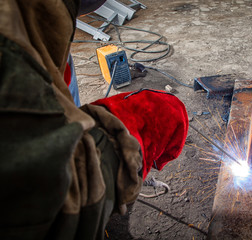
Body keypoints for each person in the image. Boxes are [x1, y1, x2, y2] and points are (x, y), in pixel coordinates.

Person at [0, 0, 188, 239]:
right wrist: (123, 141)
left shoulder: (38, 16)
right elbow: (44, 204)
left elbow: (61, 114)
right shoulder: (7, 44)